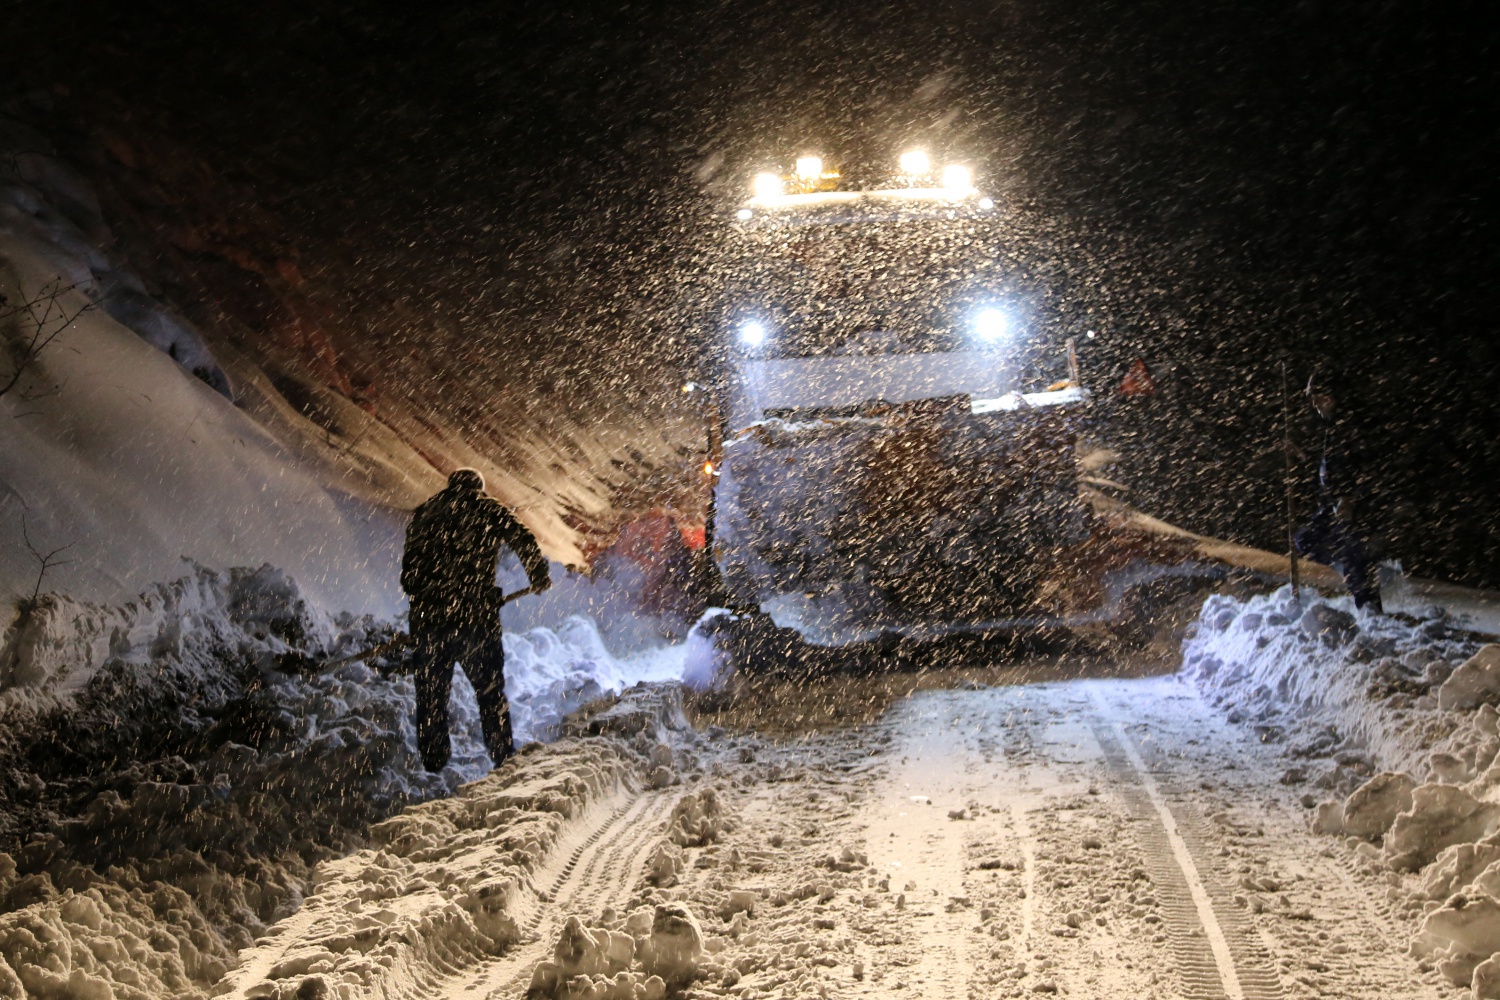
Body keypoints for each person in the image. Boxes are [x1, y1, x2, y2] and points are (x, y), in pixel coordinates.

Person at [401, 468, 550, 771]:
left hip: (431, 624)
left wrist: (431, 600)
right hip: (476, 620)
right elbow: (522, 537)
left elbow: (409, 575)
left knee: (431, 696)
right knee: (490, 692)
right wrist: (537, 575)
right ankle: (502, 756)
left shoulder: (427, 511)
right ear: (478, 488)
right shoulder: (487, 508)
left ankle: (432, 762)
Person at [1294, 377, 1382, 611]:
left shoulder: (1351, 427)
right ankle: (1343, 569)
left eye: (1317, 399)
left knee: (1356, 559)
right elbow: (1328, 467)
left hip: (1354, 510)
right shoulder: (1330, 426)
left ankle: (1370, 610)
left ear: (1329, 396)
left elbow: (1371, 468)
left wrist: (1353, 497)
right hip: (1333, 507)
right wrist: (1303, 458)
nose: (1315, 405)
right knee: (1305, 539)